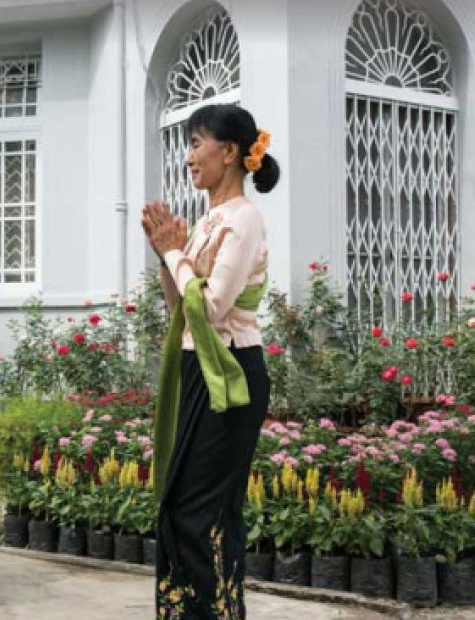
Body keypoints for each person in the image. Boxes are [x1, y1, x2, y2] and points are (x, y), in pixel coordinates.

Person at [142, 104, 278, 619]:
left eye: (197, 143)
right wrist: (167, 255)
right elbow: (182, 308)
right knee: (183, 507)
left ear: (228, 152)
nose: (189, 156)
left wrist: (176, 255)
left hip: (232, 375)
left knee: (199, 511)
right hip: (200, 370)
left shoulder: (244, 220)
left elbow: (214, 305)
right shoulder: (208, 221)